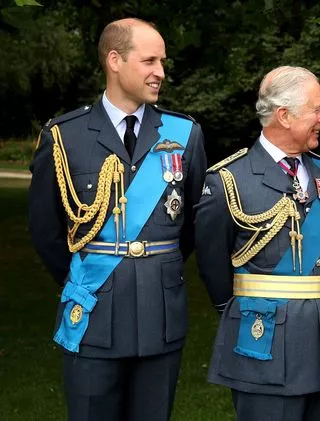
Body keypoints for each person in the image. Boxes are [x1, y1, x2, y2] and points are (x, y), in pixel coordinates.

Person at [28, 18, 206, 421]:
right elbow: (46, 232)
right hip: (93, 316)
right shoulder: (64, 136)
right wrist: (88, 278)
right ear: (114, 60)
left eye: (162, 61)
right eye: (149, 61)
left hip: (161, 317)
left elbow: (191, 227)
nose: (160, 72)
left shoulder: (184, 133)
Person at [194, 66, 320, 421]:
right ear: (284, 115)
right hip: (263, 341)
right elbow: (212, 265)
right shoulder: (228, 180)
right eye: (317, 109)